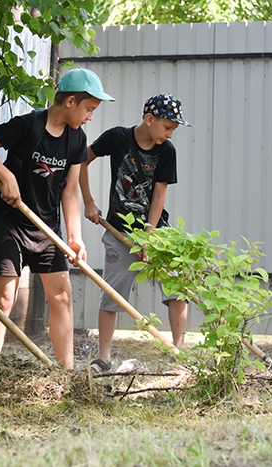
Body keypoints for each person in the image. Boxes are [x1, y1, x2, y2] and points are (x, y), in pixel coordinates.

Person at [0, 68, 114, 369]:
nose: (90, 116)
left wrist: (74, 236)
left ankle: (67, 372)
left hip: (48, 230)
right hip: (12, 224)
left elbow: (70, 190)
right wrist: (5, 174)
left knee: (61, 296)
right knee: (5, 298)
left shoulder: (77, 139)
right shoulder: (28, 125)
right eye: (89, 109)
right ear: (71, 101)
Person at [79, 93, 192, 373]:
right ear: (149, 119)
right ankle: (103, 358)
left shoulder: (167, 152)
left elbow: (159, 197)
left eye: (174, 130)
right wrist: (89, 201)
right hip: (119, 232)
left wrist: (149, 236)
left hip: (155, 231)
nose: (170, 134)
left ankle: (178, 353)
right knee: (112, 294)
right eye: (167, 127)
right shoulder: (117, 138)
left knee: (177, 288)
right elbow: (82, 160)